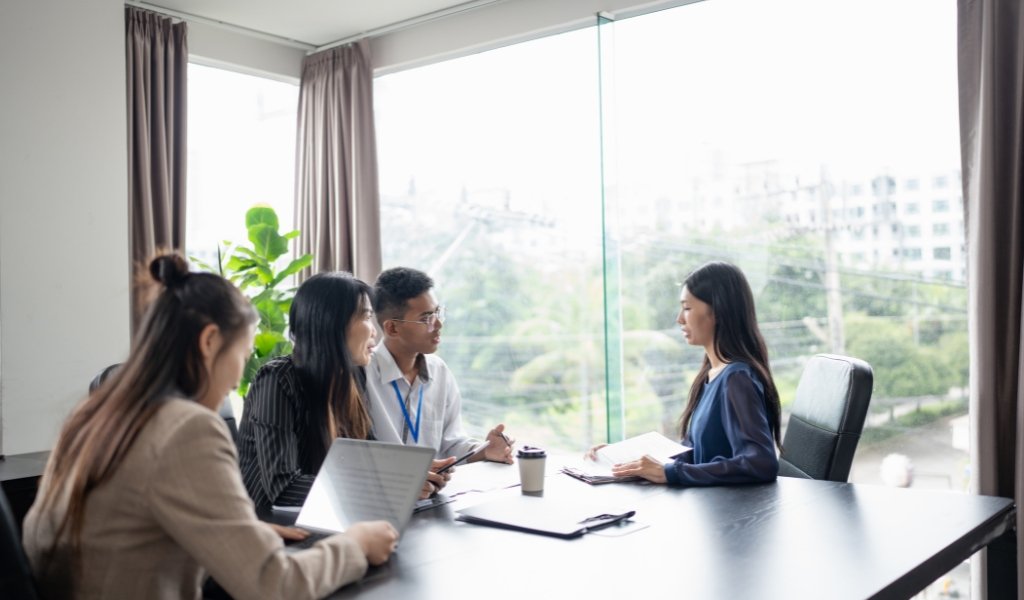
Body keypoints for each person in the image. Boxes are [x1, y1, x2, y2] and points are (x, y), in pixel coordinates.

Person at [23, 254, 397, 600]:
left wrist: (237, 533)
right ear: (209, 342)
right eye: (243, 354)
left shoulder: (99, 413)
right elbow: (274, 585)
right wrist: (355, 544)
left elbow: (126, 531)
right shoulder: (186, 429)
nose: (237, 380)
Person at [237, 271, 454, 506]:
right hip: (273, 526)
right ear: (332, 323)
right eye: (366, 318)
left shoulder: (352, 375)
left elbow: (368, 456)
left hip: (327, 517)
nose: (375, 330)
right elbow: (283, 487)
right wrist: (391, 484)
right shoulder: (278, 379)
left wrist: (414, 472)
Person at [590, 261, 781, 485]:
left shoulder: (736, 379)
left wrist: (672, 473)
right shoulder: (712, 375)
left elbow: (760, 463)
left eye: (687, 308)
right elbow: (698, 453)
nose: (679, 318)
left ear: (718, 312)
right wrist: (624, 457)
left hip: (729, 513)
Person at [366, 267, 513, 493]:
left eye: (437, 313)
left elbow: (451, 445)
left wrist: (485, 450)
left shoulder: (439, 371)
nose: (438, 324)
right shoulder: (362, 375)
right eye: (426, 318)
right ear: (392, 328)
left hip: (432, 497)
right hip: (382, 500)